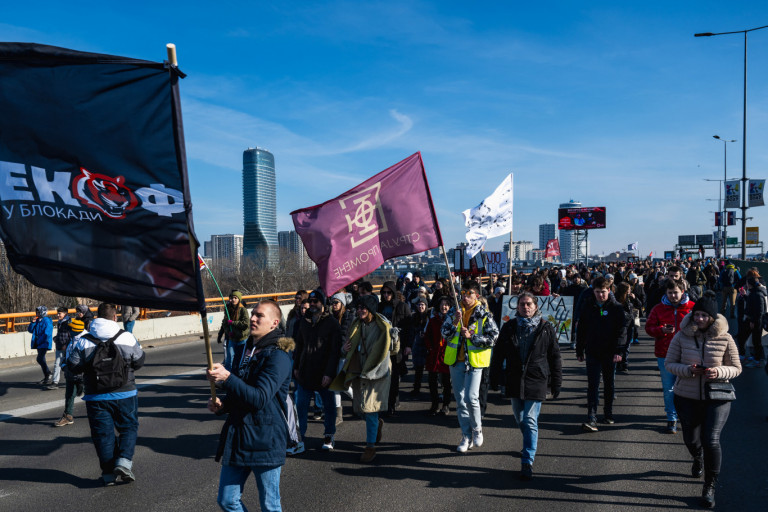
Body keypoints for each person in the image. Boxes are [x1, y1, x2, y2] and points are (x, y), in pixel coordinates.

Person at [207, 300, 293, 512]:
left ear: (274, 323)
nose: (252, 318)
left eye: (259, 315)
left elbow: (259, 398)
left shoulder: (278, 356)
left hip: (265, 438)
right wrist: (224, 405)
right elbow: (242, 389)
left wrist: (227, 377)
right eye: (252, 314)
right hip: (239, 435)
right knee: (227, 500)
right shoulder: (248, 349)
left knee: (270, 505)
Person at [665, 291, 742, 508]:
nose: (699, 319)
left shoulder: (725, 338)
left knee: (711, 440)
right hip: (686, 395)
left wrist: (719, 372)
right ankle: (697, 457)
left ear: (713, 318)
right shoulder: (681, 336)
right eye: (696, 314)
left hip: (717, 395)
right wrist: (688, 370)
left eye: (704, 316)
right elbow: (670, 364)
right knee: (691, 439)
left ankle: (710, 485)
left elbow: (736, 368)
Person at [66, 303, 146, 486]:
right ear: (115, 317)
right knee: (128, 427)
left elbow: (73, 365)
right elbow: (140, 360)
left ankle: (108, 474)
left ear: (96, 318)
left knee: (103, 435)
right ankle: (124, 462)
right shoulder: (126, 337)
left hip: (96, 396)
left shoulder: (84, 340)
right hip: (125, 392)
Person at [495, 292, 562, 480]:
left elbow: (554, 356)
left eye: (529, 304)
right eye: (522, 304)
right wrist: (494, 377)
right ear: (517, 307)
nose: (525, 307)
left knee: (530, 420)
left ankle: (527, 460)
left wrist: (556, 382)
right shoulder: (509, 327)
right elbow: (499, 353)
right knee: (519, 418)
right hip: (515, 378)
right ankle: (528, 443)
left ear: (535, 306)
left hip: (536, 378)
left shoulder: (546, 328)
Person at [333, 294, 393, 463]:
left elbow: (394, 349)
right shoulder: (356, 325)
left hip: (377, 373)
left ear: (371, 309)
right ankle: (376, 426)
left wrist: (395, 338)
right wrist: (344, 349)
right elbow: (348, 350)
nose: (360, 311)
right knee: (360, 409)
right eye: (358, 308)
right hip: (359, 371)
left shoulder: (384, 326)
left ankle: (370, 447)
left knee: (370, 409)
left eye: (363, 308)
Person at [441, 280, 499, 452]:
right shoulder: (454, 311)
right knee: (459, 401)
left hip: (474, 361)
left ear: (477, 296)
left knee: (471, 397)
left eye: (469, 294)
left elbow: (494, 337)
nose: (465, 297)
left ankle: (477, 428)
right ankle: (466, 436)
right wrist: (454, 323)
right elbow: (444, 333)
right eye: (463, 293)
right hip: (456, 361)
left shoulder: (483, 314)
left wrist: (472, 337)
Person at [576, 276, 627, 432]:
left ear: (609, 290)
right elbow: (581, 330)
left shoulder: (616, 308)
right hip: (592, 350)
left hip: (610, 352)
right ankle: (592, 416)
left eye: (603, 292)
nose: (600, 295)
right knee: (593, 385)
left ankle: (608, 412)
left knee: (609, 384)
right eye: (597, 292)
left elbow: (622, 332)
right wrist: (579, 349)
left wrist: (619, 351)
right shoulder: (587, 306)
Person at [293, 289, 341, 450]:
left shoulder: (332, 323)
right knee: (301, 406)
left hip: (323, 372)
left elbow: (335, 351)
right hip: (305, 371)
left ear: (323, 303)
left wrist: (329, 373)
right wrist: (296, 367)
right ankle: (300, 438)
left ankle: (329, 436)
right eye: (311, 301)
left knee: (328, 406)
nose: (312, 304)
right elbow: (298, 345)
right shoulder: (303, 322)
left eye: (316, 301)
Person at [646, 279, 695, 434]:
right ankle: (671, 418)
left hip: (688, 354)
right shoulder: (658, 309)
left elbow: (703, 326)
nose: (673, 296)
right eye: (670, 293)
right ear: (666, 293)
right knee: (669, 388)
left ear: (682, 292)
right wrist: (661, 330)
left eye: (676, 292)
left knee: (688, 387)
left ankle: (687, 415)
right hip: (665, 353)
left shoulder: (692, 308)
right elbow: (649, 327)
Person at [378, 281, 412, 416]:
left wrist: (408, 345)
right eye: (384, 293)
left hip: (397, 347)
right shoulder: (379, 307)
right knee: (382, 377)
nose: (386, 295)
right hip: (382, 346)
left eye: (389, 292)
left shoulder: (403, 307)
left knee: (394, 377)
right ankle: (384, 402)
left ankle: (392, 404)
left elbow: (409, 328)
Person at [423, 296, 453, 415]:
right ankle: (434, 404)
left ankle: (446, 405)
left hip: (447, 354)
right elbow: (427, 335)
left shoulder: (452, 320)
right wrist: (430, 348)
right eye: (442, 304)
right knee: (432, 381)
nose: (444, 306)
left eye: (446, 304)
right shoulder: (433, 320)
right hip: (434, 354)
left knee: (446, 382)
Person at [54, 318, 86, 427]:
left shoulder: (84, 341)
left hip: (82, 374)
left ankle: (105, 413)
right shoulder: (72, 339)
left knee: (92, 394)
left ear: (76, 330)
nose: (68, 331)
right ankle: (68, 416)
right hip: (70, 373)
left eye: (70, 329)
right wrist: (64, 365)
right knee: (69, 395)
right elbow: (67, 355)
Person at [218, 291, 250, 372]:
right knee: (229, 358)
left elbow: (246, 324)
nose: (233, 300)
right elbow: (224, 323)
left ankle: (240, 375)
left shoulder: (243, 310)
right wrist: (228, 332)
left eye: (235, 298)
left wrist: (233, 323)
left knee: (240, 359)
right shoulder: (228, 309)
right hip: (232, 339)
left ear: (239, 299)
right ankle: (227, 375)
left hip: (242, 339)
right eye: (232, 298)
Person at [408, 297, 430, 398]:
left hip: (427, 345)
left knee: (430, 369)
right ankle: (417, 388)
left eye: (422, 305)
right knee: (418, 368)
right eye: (419, 305)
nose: (420, 306)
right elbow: (411, 331)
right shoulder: (413, 317)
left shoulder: (429, 317)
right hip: (417, 345)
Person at [743, 274, 767, 368]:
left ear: (750, 284)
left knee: (756, 341)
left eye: (747, 283)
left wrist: (753, 321)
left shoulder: (757, 294)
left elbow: (759, 311)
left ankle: (757, 360)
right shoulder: (754, 292)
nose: (746, 285)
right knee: (754, 339)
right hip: (755, 320)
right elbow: (751, 304)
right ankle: (756, 357)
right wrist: (745, 296)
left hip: (757, 321)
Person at [47, 307, 72, 390]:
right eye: (57, 313)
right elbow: (60, 334)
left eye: (59, 313)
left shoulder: (69, 322)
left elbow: (70, 335)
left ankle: (75, 380)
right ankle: (55, 382)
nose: (58, 315)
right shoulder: (60, 322)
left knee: (70, 364)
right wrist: (56, 338)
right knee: (57, 364)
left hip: (67, 347)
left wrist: (67, 344)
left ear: (65, 314)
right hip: (59, 346)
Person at [28, 306, 53, 387]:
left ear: (43, 312)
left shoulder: (47, 321)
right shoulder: (38, 320)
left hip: (44, 343)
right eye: (37, 312)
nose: (37, 314)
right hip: (39, 343)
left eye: (38, 312)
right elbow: (30, 330)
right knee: (42, 359)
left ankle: (48, 373)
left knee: (39, 358)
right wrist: (33, 322)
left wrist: (39, 341)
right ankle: (47, 376)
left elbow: (47, 333)